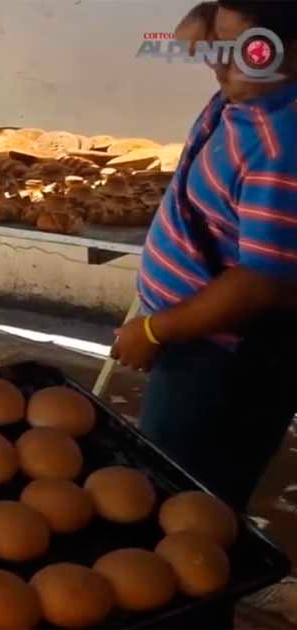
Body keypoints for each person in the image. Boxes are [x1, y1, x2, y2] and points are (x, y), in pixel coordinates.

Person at [112, 0, 297, 512]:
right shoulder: (248, 95)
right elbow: (187, 33)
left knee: (186, 505)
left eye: (246, 50)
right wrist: (225, 29)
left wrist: (153, 331)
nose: (218, 62)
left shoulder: (282, 145)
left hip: (223, 358)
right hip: (194, 338)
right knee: (176, 485)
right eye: (220, 44)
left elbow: (258, 282)